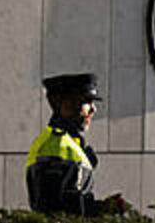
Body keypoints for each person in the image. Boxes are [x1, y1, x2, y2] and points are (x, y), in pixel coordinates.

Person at [26, 73, 127, 215]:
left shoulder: (70, 142)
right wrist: (101, 209)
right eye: (87, 101)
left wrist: (103, 207)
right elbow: (56, 211)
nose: (93, 109)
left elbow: (72, 204)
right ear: (64, 103)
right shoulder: (56, 144)